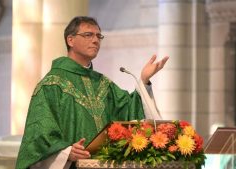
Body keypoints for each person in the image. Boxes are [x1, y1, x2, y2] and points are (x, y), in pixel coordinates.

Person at [15, 16, 169, 169]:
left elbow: (129, 112)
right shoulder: (51, 85)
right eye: (88, 35)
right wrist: (65, 151)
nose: (96, 40)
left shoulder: (103, 83)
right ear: (70, 40)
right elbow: (38, 134)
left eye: (98, 36)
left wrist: (143, 80)